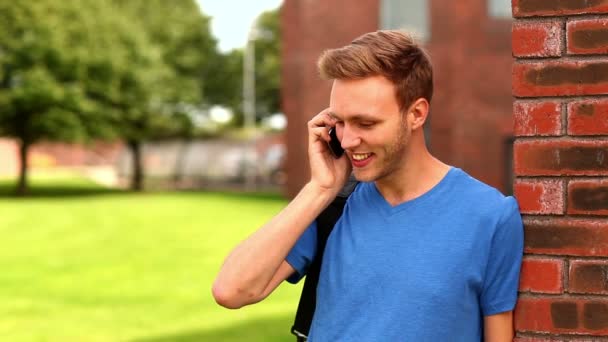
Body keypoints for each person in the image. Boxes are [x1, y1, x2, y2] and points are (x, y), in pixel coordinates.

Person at [212, 30, 523, 342]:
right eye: (340, 122)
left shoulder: (490, 216)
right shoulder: (333, 205)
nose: (347, 140)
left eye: (366, 123)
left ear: (416, 114)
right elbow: (232, 290)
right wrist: (320, 188)